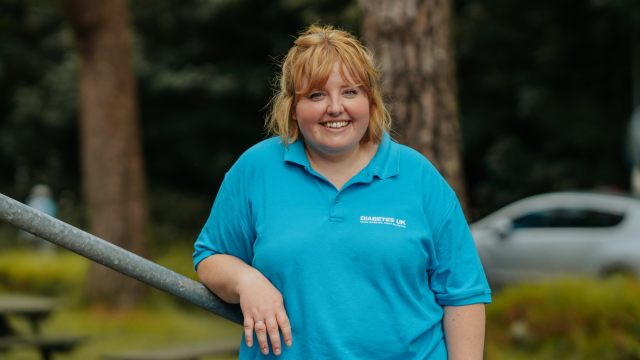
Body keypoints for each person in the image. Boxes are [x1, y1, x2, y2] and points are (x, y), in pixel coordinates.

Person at [193, 25, 491, 359]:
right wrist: (246, 281)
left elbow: (462, 292)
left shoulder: (418, 176)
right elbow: (210, 257)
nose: (335, 108)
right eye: (316, 95)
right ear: (293, 107)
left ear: (370, 100)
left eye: (350, 92)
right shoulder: (256, 170)